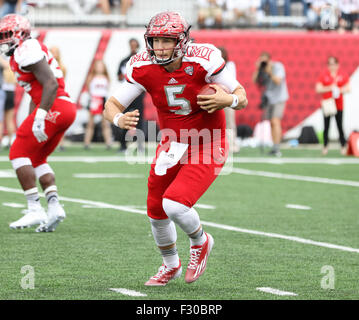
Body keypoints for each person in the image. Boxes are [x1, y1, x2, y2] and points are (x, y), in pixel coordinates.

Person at [104, 11, 247, 286]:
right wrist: (118, 119)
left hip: (209, 141)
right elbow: (111, 104)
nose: (159, 47)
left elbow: (242, 97)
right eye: (155, 41)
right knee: (156, 211)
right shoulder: (142, 65)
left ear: (181, 40)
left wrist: (226, 99)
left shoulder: (204, 58)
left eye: (166, 40)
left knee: (174, 204)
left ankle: (201, 241)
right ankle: (171, 266)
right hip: (172, 143)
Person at [0, 14, 77, 232]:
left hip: (56, 106)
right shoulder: (24, 51)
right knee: (36, 157)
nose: (3, 40)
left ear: (20, 33)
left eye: (6, 35)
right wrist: (34, 117)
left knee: (16, 153)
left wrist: (42, 115)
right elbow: (39, 92)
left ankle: (34, 208)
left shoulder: (27, 49)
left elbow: (50, 84)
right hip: (63, 108)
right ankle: (54, 207)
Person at [252, 51, 289, 157]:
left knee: (275, 121)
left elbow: (278, 81)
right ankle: (274, 146)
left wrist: (270, 72)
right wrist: (258, 69)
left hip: (279, 98)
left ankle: (277, 147)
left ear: (269, 60)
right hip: (269, 99)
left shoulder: (278, 66)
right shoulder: (262, 69)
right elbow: (254, 81)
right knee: (271, 123)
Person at [315, 56, 350, 155]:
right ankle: (325, 146)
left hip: (339, 104)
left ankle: (343, 146)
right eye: (330, 64)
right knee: (326, 126)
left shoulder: (342, 75)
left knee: (340, 126)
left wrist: (339, 89)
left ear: (337, 65)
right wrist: (330, 88)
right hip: (328, 103)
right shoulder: (324, 75)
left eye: (334, 64)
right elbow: (318, 89)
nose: (332, 66)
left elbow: (348, 88)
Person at [116, 38, 145, 153]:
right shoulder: (124, 61)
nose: (133, 47)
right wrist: (125, 76)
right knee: (124, 118)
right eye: (131, 45)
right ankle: (123, 145)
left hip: (138, 93)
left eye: (134, 45)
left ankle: (140, 146)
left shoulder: (141, 60)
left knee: (139, 120)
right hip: (126, 92)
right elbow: (118, 77)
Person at [84, 59, 112, 149]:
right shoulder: (91, 77)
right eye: (98, 66)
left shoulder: (106, 77)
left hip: (103, 99)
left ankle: (108, 143)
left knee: (105, 123)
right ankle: (87, 143)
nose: (99, 68)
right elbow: (88, 89)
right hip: (94, 100)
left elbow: (107, 89)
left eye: (101, 66)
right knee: (90, 123)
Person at [218, 46, 239, 153]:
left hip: (227, 97)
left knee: (230, 123)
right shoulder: (213, 66)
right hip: (216, 97)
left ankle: (232, 145)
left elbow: (230, 80)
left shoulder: (230, 65)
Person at [0, 54, 16, 148]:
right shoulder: (11, 58)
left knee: (2, 120)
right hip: (10, 90)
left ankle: (3, 142)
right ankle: (11, 141)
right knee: (9, 119)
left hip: (5, 90)